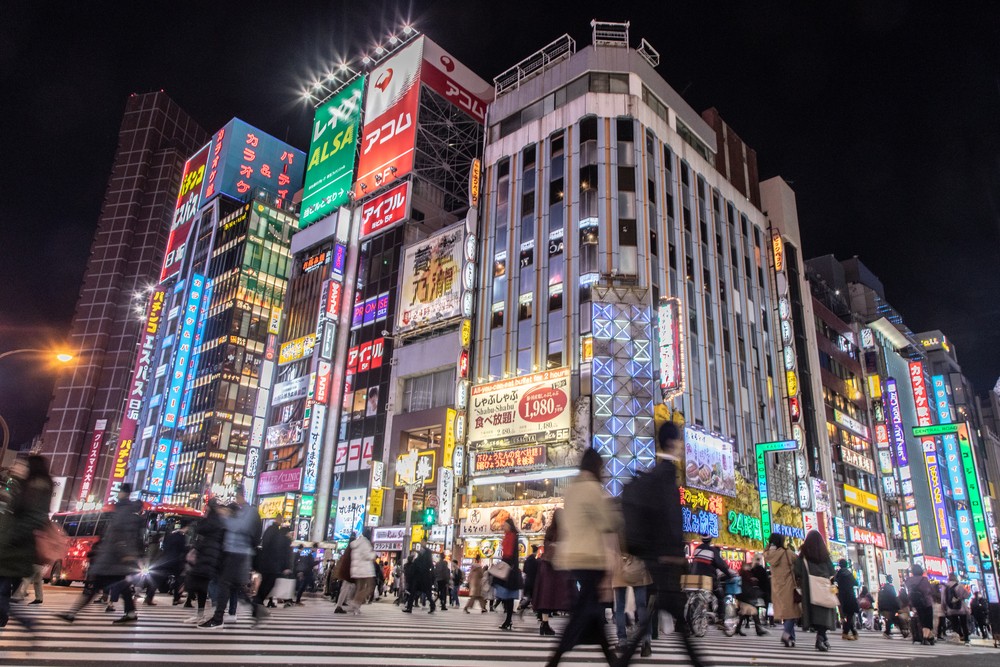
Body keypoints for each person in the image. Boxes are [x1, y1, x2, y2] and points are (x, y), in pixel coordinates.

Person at [616, 422, 705, 667]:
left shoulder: (661, 472)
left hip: (657, 558)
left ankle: (626, 657)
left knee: (663, 611)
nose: (682, 446)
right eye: (679, 440)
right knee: (673, 614)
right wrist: (674, 553)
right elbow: (670, 518)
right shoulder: (666, 473)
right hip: (666, 560)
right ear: (672, 442)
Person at [545, 448, 619, 666]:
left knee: (593, 613)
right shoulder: (593, 489)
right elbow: (607, 525)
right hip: (592, 558)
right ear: (597, 466)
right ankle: (556, 657)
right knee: (582, 614)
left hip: (572, 557)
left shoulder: (572, 490)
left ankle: (612, 658)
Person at [59, 482, 144, 625]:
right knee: (121, 587)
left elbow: (121, 535)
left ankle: (72, 613)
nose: (118, 494)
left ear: (124, 493)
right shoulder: (123, 509)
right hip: (115, 559)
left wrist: (123, 553)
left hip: (113, 559)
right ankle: (130, 613)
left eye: (120, 492)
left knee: (96, 587)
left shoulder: (123, 511)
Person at [0, 455, 53, 633]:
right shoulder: (28, 486)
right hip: (12, 547)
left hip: (15, 548)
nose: (17, 467)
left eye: (21, 465)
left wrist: (12, 537)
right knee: (4, 591)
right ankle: (15, 620)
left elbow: (30, 517)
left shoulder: (37, 488)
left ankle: (25, 621)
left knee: (3, 590)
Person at [199, 486, 265, 628]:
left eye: (237, 495)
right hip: (233, 551)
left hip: (239, 553)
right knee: (235, 586)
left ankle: (218, 618)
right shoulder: (241, 511)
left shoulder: (250, 512)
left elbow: (240, 527)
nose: (236, 499)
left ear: (242, 495)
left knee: (225, 583)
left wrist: (226, 517)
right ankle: (257, 610)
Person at [183, 498, 226, 624]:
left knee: (198, 583)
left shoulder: (212, 519)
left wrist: (205, 516)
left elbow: (200, 529)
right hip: (210, 555)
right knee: (202, 586)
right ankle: (201, 614)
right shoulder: (219, 520)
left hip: (207, 555)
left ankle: (205, 613)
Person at [532, 509, 574, 636]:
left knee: (546, 596)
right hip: (561, 566)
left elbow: (546, 545)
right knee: (567, 595)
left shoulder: (550, 530)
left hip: (547, 566)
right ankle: (572, 625)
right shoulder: (565, 531)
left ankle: (544, 623)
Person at [794, 530, 837, 652]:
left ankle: (823, 638)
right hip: (824, 588)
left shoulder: (803, 556)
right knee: (825, 614)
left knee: (813, 615)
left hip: (809, 590)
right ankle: (821, 638)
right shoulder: (824, 556)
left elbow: (797, 571)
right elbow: (832, 572)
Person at [611, 540, 653, 652]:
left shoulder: (618, 530)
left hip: (620, 567)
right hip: (638, 567)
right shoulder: (640, 531)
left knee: (620, 608)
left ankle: (622, 641)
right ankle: (646, 640)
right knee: (641, 606)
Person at [764, 533, 801, 648]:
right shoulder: (787, 553)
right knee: (792, 613)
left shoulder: (768, 554)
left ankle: (791, 638)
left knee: (786, 613)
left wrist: (768, 546)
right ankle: (786, 634)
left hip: (776, 587)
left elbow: (765, 552)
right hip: (788, 586)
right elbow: (798, 561)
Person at [690, 534, 734, 614]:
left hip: (695, 579)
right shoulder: (712, 550)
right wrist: (729, 575)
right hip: (708, 579)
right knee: (720, 597)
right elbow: (721, 565)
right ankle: (721, 617)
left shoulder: (697, 549)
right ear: (710, 540)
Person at [253, 524, 293, 611]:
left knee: (265, 584)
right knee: (268, 584)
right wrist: (286, 567)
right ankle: (258, 602)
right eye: (290, 533)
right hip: (274, 567)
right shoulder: (283, 540)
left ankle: (258, 602)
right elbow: (285, 555)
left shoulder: (273, 537)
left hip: (266, 565)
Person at [494, 517, 523, 631]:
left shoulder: (512, 537)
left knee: (508, 596)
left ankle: (508, 620)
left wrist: (508, 567)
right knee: (506, 596)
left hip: (509, 570)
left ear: (510, 526)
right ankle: (508, 620)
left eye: (505, 525)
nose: (503, 527)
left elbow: (511, 555)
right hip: (507, 569)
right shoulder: (507, 537)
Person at [905, 563, 936, 645]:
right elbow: (929, 591)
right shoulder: (924, 580)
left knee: (922, 620)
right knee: (928, 621)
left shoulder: (908, 580)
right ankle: (925, 638)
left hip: (916, 603)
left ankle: (930, 637)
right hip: (926, 602)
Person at [347, 528, 376, 613]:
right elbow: (367, 556)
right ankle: (355, 602)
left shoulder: (357, 543)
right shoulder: (365, 543)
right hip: (365, 570)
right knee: (370, 587)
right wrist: (373, 554)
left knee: (360, 588)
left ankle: (356, 607)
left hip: (357, 569)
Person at [735, 564, 768, 636]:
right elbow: (748, 584)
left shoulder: (742, 574)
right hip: (745, 596)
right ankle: (758, 629)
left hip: (743, 596)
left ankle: (738, 628)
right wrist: (753, 580)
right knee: (753, 611)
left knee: (743, 612)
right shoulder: (745, 574)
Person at [834, 559, 859, 640]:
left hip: (842, 596)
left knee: (848, 615)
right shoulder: (848, 573)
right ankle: (845, 633)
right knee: (850, 614)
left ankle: (854, 633)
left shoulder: (838, 574)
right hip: (850, 596)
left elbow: (834, 582)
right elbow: (856, 583)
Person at [943, 573, 971, 644]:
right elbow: (967, 595)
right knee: (964, 623)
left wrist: (944, 607)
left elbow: (943, 599)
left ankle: (959, 636)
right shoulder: (959, 586)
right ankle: (966, 638)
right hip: (961, 608)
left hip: (951, 608)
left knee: (954, 623)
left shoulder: (945, 587)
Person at [518, 545, 540, 617]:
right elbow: (537, 571)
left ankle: (522, 608)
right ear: (536, 552)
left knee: (529, 597)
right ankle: (539, 614)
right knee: (533, 597)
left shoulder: (527, 560)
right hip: (533, 581)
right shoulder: (535, 561)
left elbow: (524, 570)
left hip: (527, 580)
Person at [750, 553, 771, 626]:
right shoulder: (761, 569)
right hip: (763, 591)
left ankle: (756, 620)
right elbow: (765, 581)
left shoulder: (752, 569)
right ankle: (767, 619)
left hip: (753, 591)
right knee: (767, 603)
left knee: (755, 606)